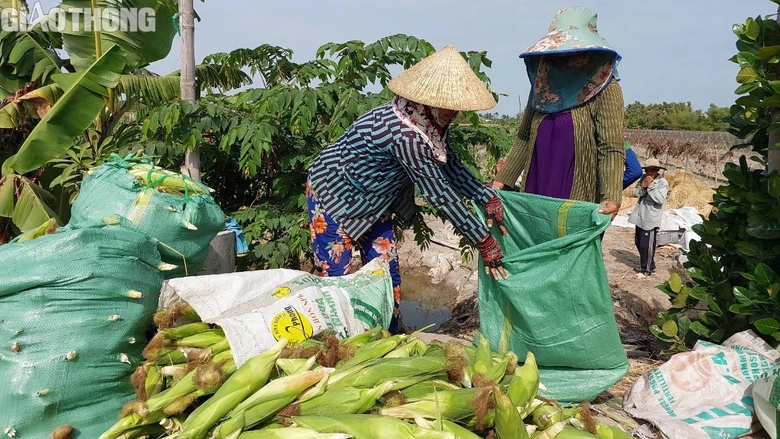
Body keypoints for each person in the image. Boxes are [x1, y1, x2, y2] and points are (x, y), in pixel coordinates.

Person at [306, 45, 508, 334]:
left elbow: (452, 168)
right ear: (427, 102)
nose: (455, 114)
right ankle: (338, 344)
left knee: (385, 274)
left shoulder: (429, 124)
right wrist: (484, 241)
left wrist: (485, 195)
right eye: (450, 108)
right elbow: (439, 193)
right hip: (333, 195)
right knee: (339, 277)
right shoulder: (405, 135)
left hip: (372, 201)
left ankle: (388, 335)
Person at [491, 6, 625, 219]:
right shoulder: (543, 86)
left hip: (576, 193)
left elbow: (610, 148)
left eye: (573, 48)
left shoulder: (604, 87)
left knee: (566, 245)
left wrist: (610, 194)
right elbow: (524, 139)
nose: (565, 55)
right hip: (536, 185)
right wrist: (501, 182)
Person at [628, 158, 669, 277]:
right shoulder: (643, 179)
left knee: (647, 245)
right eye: (647, 170)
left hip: (651, 217)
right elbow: (634, 192)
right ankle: (650, 264)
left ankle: (646, 269)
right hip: (640, 215)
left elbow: (660, 199)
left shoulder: (662, 182)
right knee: (639, 242)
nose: (649, 173)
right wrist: (643, 188)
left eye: (652, 170)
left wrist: (650, 186)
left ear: (656, 170)